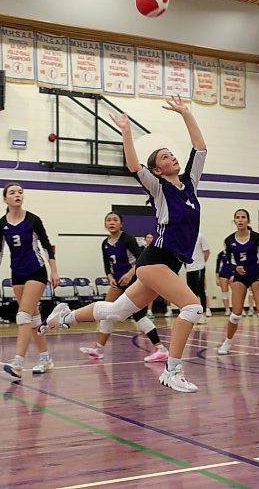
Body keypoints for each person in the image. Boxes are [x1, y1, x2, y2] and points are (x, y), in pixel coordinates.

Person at [40, 95, 207, 393]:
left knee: (116, 311)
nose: (172, 158)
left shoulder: (191, 184)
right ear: (157, 170)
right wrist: (127, 132)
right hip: (155, 259)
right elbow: (133, 166)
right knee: (193, 308)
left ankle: (63, 316)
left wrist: (185, 113)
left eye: (172, 154)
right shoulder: (159, 187)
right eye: (165, 157)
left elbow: (200, 147)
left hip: (170, 263)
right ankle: (172, 370)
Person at [79, 212, 168, 363]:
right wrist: (110, 277)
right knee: (105, 311)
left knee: (138, 314)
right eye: (108, 220)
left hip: (133, 279)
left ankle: (160, 348)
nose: (111, 222)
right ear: (105, 224)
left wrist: (129, 274)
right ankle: (99, 348)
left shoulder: (127, 239)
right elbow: (107, 265)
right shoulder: (105, 243)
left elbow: (141, 258)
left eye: (115, 220)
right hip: (118, 282)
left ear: (121, 224)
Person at [1, 182, 60, 379]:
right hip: (17, 274)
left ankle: (18, 362)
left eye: (20, 192)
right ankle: (45, 358)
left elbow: (45, 246)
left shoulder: (33, 220)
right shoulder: (2, 224)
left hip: (36, 271)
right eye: (12, 192)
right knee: (33, 320)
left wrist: (54, 271)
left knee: (23, 315)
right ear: (5, 199)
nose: (17, 195)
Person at [217, 209, 259, 358]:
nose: (240, 220)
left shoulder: (257, 238)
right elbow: (228, 262)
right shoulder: (229, 240)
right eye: (237, 217)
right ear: (234, 221)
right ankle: (227, 343)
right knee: (235, 315)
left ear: (248, 220)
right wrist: (236, 268)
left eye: (243, 217)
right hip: (239, 278)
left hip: (255, 276)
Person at [144, 231, 173, 318]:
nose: (149, 239)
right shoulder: (142, 250)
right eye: (148, 238)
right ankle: (149, 311)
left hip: (160, 273)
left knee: (167, 292)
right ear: (145, 239)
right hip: (148, 274)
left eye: (151, 238)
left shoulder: (158, 249)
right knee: (149, 293)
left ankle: (169, 309)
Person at [185, 233, 210, 324]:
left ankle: (202, 314)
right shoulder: (184, 238)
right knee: (192, 293)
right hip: (189, 269)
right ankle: (194, 314)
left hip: (199, 267)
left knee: (201, 291)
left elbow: (207, 251)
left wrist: (201, 263)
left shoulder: (200, 236)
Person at [215, 249, 233, 316]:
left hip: (233, 275)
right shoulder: (221, 254)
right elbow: (217, 267)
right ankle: (227, 310)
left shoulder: (235, 252)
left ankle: (238, 309)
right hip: (223, 275)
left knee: (236, 293)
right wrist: (217, 278)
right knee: (225, 293)